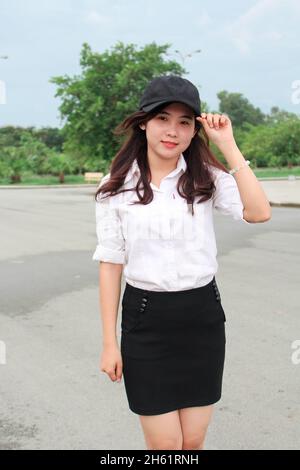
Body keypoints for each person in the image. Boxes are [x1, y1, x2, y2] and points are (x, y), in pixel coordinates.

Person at [92, 75, 271, 450]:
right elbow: (111, 263)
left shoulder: (204, 177)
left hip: (201, 317)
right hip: (145, 321)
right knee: (166, 445)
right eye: (163, 119)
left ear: (194, 132)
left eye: (184, 122)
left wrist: (228, 145)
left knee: (192, 441)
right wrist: (110, 343)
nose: (172, 131)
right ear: (144, 122)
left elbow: (258, 212)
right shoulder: (117, 186)